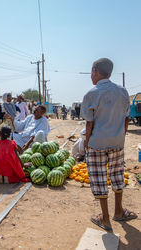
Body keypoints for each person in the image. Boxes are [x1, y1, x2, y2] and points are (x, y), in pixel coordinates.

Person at [81, 58, 137, 231]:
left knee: (99, 179)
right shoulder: (122, 92)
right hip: (117, 142)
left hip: (97, 143)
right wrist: (121, 135)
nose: (91, 75)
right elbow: (126, 119)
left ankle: (105, 219)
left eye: (91, 71)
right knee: (117, 175)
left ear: (95, 71)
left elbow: (89, 124)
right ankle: (119, 211)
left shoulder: (91, 94)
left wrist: (87, 143)